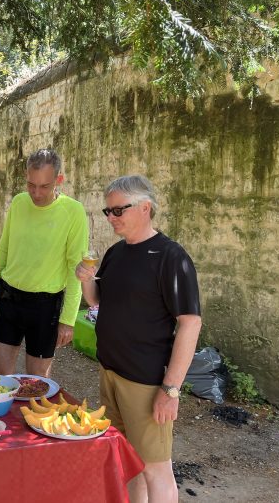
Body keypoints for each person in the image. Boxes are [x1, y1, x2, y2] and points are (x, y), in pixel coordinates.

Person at [75, 175, 202, 503]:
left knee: (156, 469)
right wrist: (86, 280)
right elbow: (97, 301)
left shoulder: (171, 257)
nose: (111, 218)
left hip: (146, 381)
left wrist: (171, 389)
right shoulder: (116, 253)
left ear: (145, 208)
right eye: (108, 211)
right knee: (129, 462)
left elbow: (190, 323)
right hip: (111, 373)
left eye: (119, 210)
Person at [0, 149, 88, 377]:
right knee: (0, 378)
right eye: (30, 184)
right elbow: (4, 247)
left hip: (46, 306)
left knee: (37, 383)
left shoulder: (73, 211)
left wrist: (68, 320)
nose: (36, 192)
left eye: (44, 186)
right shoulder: (18, 202)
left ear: (59, 180)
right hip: (9, 298)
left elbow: (77, 269)